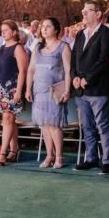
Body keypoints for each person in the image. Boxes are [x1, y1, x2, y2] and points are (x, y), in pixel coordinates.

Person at [70, 1, 109, 174]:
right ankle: (91, 158)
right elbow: (74, 57)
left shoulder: (105, 32)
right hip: (80, 89)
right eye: (83, 10)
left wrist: (87, 79)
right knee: (87, 125)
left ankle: (108, 160)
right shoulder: (81, 34)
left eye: (87, 10)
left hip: (97, 87)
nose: (83, 13)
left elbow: (103, 59)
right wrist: (74, 76)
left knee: (102, 125)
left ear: (97, 14)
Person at [27, 17, 71, 169]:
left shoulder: (63, 47)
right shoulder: (37, 48)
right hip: (39, 90)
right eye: (43, 26)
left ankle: (59, 156)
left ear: (56, 30)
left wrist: (67, 89)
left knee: (54, 124)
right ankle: (49, 155)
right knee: (44, 125)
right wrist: (28, 88)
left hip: (54, 91)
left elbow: (68, 70)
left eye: (48, 26)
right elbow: (31, 69)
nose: (44, 29)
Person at [0, 20, 27, 166]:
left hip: (12, 88)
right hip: (1, 88)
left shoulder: (18, 48)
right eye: (2, 30)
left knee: (7, 120)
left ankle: (3, 153)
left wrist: (19, 91)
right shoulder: (1, 48)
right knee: (8, 121)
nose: (3, 32)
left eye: (6, 30)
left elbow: (23, 71)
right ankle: (13, 149)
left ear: (14, 32)